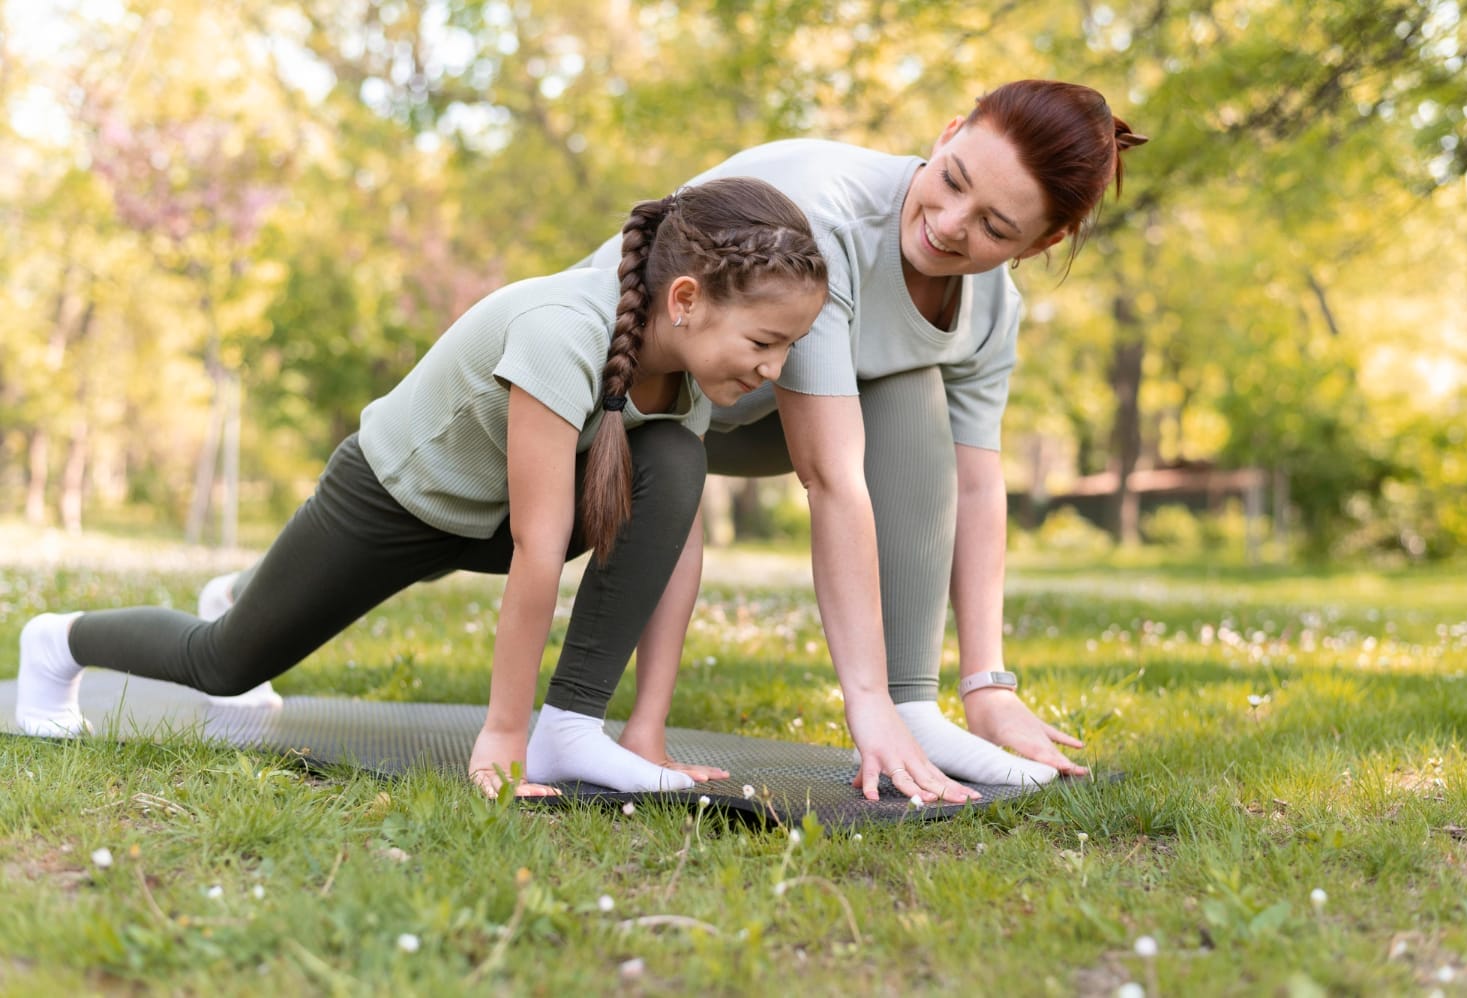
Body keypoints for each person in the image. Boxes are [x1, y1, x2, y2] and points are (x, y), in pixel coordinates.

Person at [15, 176, 862, 800]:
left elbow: (674, 549)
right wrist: (500, 737)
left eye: (787, 348)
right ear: (686, 300)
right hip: (398, 497)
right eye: (766, 340)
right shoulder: (560, 334)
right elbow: (539, 548)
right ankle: (61, 639)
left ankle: (573, 729)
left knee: (677, 464)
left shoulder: (685, 374)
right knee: (224, 662)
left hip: (496, 514)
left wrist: (644, 731)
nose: (773, 370)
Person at [561, 80, 1148, 791]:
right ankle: (888, 703)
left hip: (728, 417)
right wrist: (861, 707)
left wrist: (987, 685)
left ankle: (915, 702)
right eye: (952, 180)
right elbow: (831, 476)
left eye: (996, 228)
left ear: (1044, 240)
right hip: (599, 404)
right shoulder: (829, 220)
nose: (950, 224)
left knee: (909, 380)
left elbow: (973, 483)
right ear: (946, 133)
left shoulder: (992, 307)